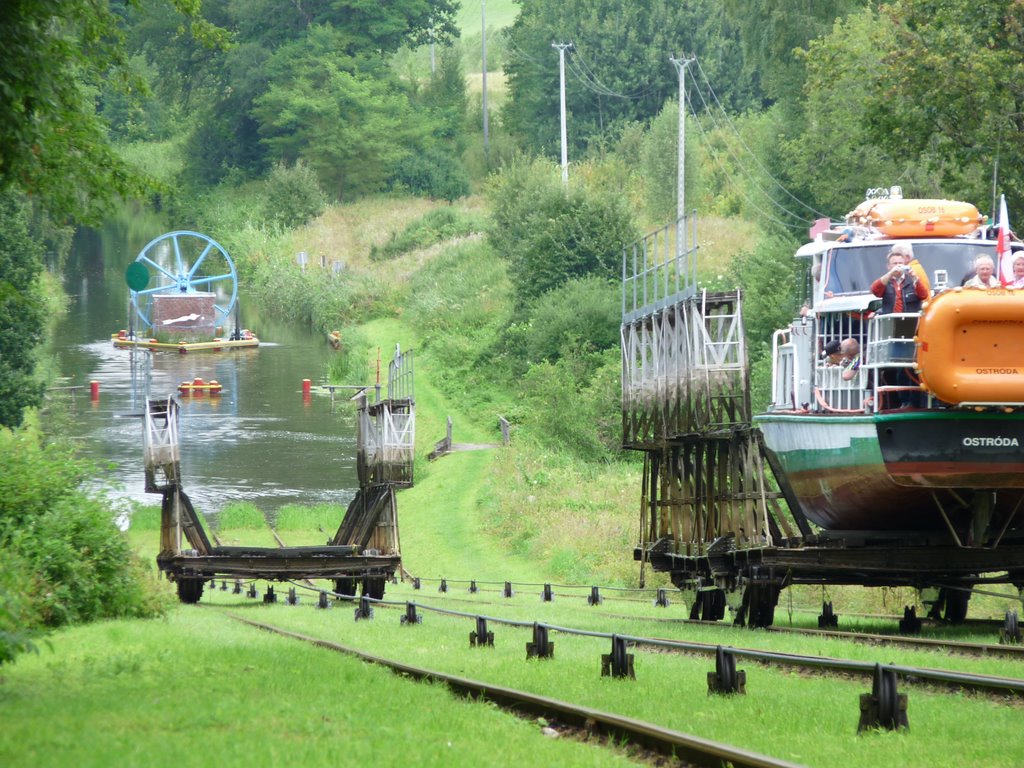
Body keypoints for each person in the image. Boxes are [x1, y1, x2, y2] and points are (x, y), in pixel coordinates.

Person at [871, 249, 929, 314]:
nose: (898, 266)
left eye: (900, 263)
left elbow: (924, 295)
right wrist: (890, 274)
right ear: (888, 266)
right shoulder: (885, 281)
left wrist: (915, 278)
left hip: (911, 320)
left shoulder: (912, 280)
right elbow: (875, 291)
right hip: (890, 321)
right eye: (895, 263)